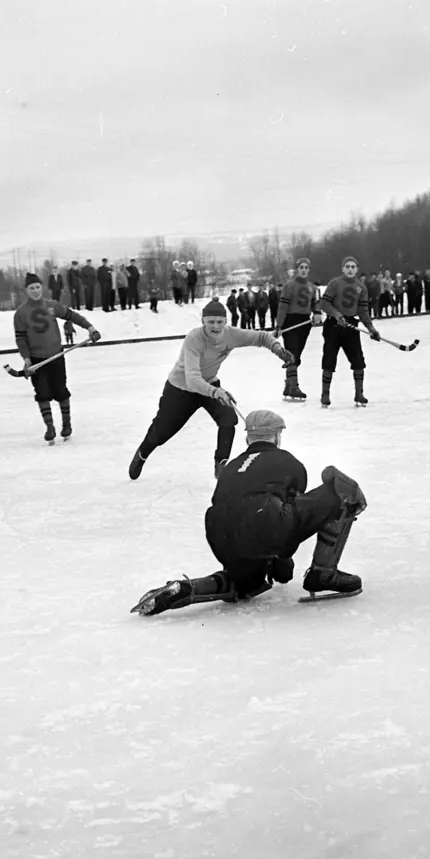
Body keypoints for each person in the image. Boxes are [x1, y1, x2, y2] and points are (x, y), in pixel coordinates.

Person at [131, 409, 367, 616]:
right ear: (276, 436)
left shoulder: (231, 467)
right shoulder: (289, 463)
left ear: (247, 438)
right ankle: (323, 574)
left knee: (246, 582)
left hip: (221, 541)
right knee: (343, 491)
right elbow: (289, 524)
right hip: (264, 524)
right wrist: (282, 564)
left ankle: (190, 588)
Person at [128, 298, 293, 481]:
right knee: (162, 432)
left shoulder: (231, 335)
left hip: (209, 384)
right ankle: (142, 453)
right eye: (211, 322)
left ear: (225, 322)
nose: (216, 326)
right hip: (180, 390)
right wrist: (216, 392)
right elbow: (192, 380)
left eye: (220, 322)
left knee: (228, 418)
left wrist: (278, 349)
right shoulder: (194, 339)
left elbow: (261, 337)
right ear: (203, 322)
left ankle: (220, 466)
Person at [12, 272, 101, 443]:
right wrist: (26, 359)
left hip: (56, 356)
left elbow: (72, 315)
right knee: (42, 393)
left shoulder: (52, 305)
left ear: (42, 288)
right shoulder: (21, 313)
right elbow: (21, 338)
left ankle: (67, 424)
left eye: (38, 287)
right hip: (37, 360)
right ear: (26, 290)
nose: (36, 291)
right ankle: (50, 427)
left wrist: (90, 328)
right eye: (32, 288)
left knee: (61, 391)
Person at [314, 256, 380, 407]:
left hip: (350, 326)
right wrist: (337, 315)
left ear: (356, 269)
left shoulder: (361, 287)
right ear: (343, 268)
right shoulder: (335, 283)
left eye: (353, 267)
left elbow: (363, 311)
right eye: (347, 266)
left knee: (358, 360)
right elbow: (324, 303)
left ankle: (359, 393)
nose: (350, 269)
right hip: (333, 326)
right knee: (329, 360)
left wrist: (371, 328)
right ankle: (325, 394)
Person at [275, 258, 322, 401]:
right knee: (292, 353)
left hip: (305, 322)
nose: (303, 270)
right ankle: (294, 386)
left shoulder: (312, 287)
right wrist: (279, 325)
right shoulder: (289, 286)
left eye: (306, 267)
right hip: (291, 321)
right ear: (297, 269)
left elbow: (316, 303)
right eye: (301, 267)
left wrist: (317, 313)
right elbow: (282, 307)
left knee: (297, 354)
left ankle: (289, 385)